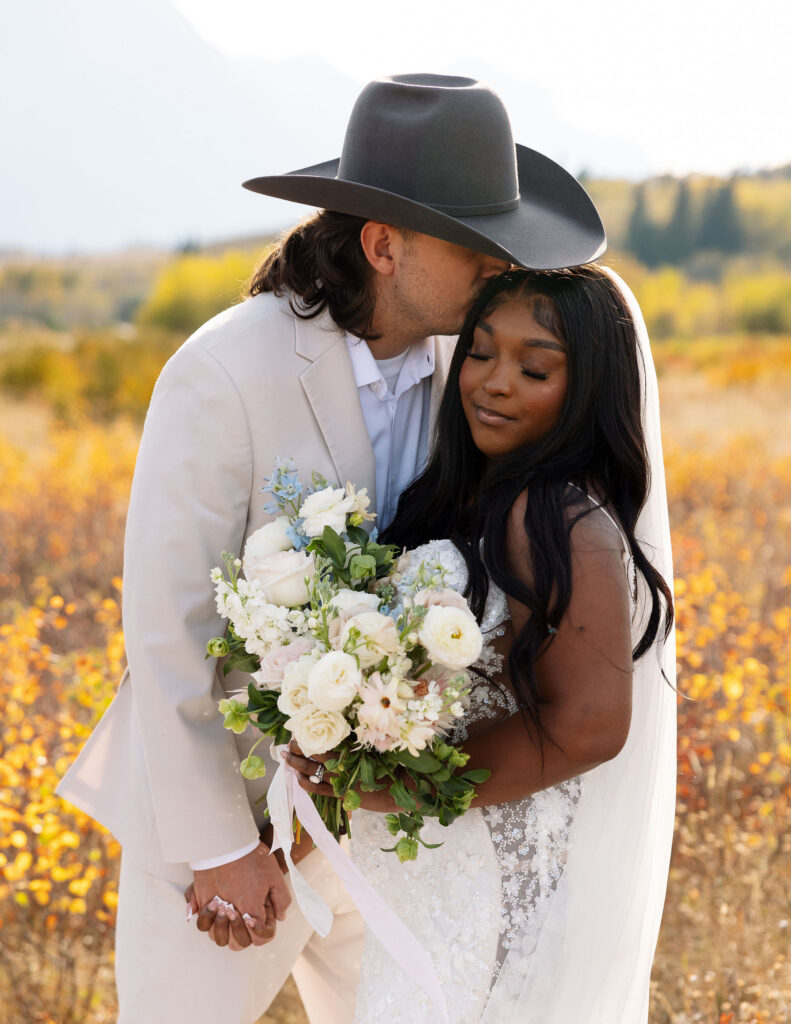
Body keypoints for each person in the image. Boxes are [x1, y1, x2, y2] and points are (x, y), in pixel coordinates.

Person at [55, 74, 606, 1024]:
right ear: (383, 245)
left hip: (386, 831)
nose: (498, 268)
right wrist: (220, 846)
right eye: (474, 244)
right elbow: (166, 628)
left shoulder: (465, 370)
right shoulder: (223, 372)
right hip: (221, 831)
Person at [288, 264, 677, 1023]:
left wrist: (391, 789)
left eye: (534, 368)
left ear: (590, 387)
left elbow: (590, 726)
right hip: (423, 889)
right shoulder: (455, 497)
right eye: (479, 353)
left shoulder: (560, 518)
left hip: (486, 890)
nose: (494, 383)